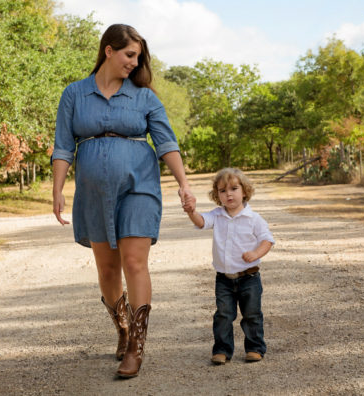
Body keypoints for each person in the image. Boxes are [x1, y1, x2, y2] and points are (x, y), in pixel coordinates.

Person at [51, 24, 195, 378]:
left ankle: (136, 347)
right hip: (93, 191)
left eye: (138, 57)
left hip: (139, 186)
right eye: (130, 55)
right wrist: (57, 189)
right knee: (107, 268)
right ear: (108, 51)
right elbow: (63, 145)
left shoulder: (144, 97)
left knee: (134, 262)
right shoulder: (74, 94)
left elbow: (166, 143)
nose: (135, 62)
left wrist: (184, 184)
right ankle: (122, 327)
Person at [184, 168, 274, 365]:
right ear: (217, 195)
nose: (229, 194)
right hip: (224, 279)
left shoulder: (254, 219)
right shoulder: (217, 215)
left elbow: (267, 240)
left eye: (234, 188)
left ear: (245, 191)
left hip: (249, 277)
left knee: (251, 314)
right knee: (223, 315)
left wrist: (256, 254)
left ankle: (255, 348)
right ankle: (222, 351)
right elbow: (201, 222)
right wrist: (191, 212)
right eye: (222, 191)